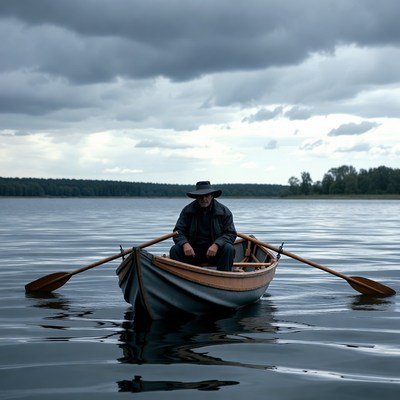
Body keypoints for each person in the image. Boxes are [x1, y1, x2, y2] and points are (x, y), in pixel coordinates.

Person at [170, 181, 237, 271]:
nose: (204, 199)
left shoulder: (224, 211)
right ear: (196, 197)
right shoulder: (187, 211)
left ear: (212, 196)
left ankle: (224, 278)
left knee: (229, 248)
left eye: (207, 196)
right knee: (175, 250)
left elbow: (231, 233)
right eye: (201, 196)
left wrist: (217, 244)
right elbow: (178, 231)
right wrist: (185, 244)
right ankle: (180, 277)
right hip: (193, 252)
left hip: (215, 253)